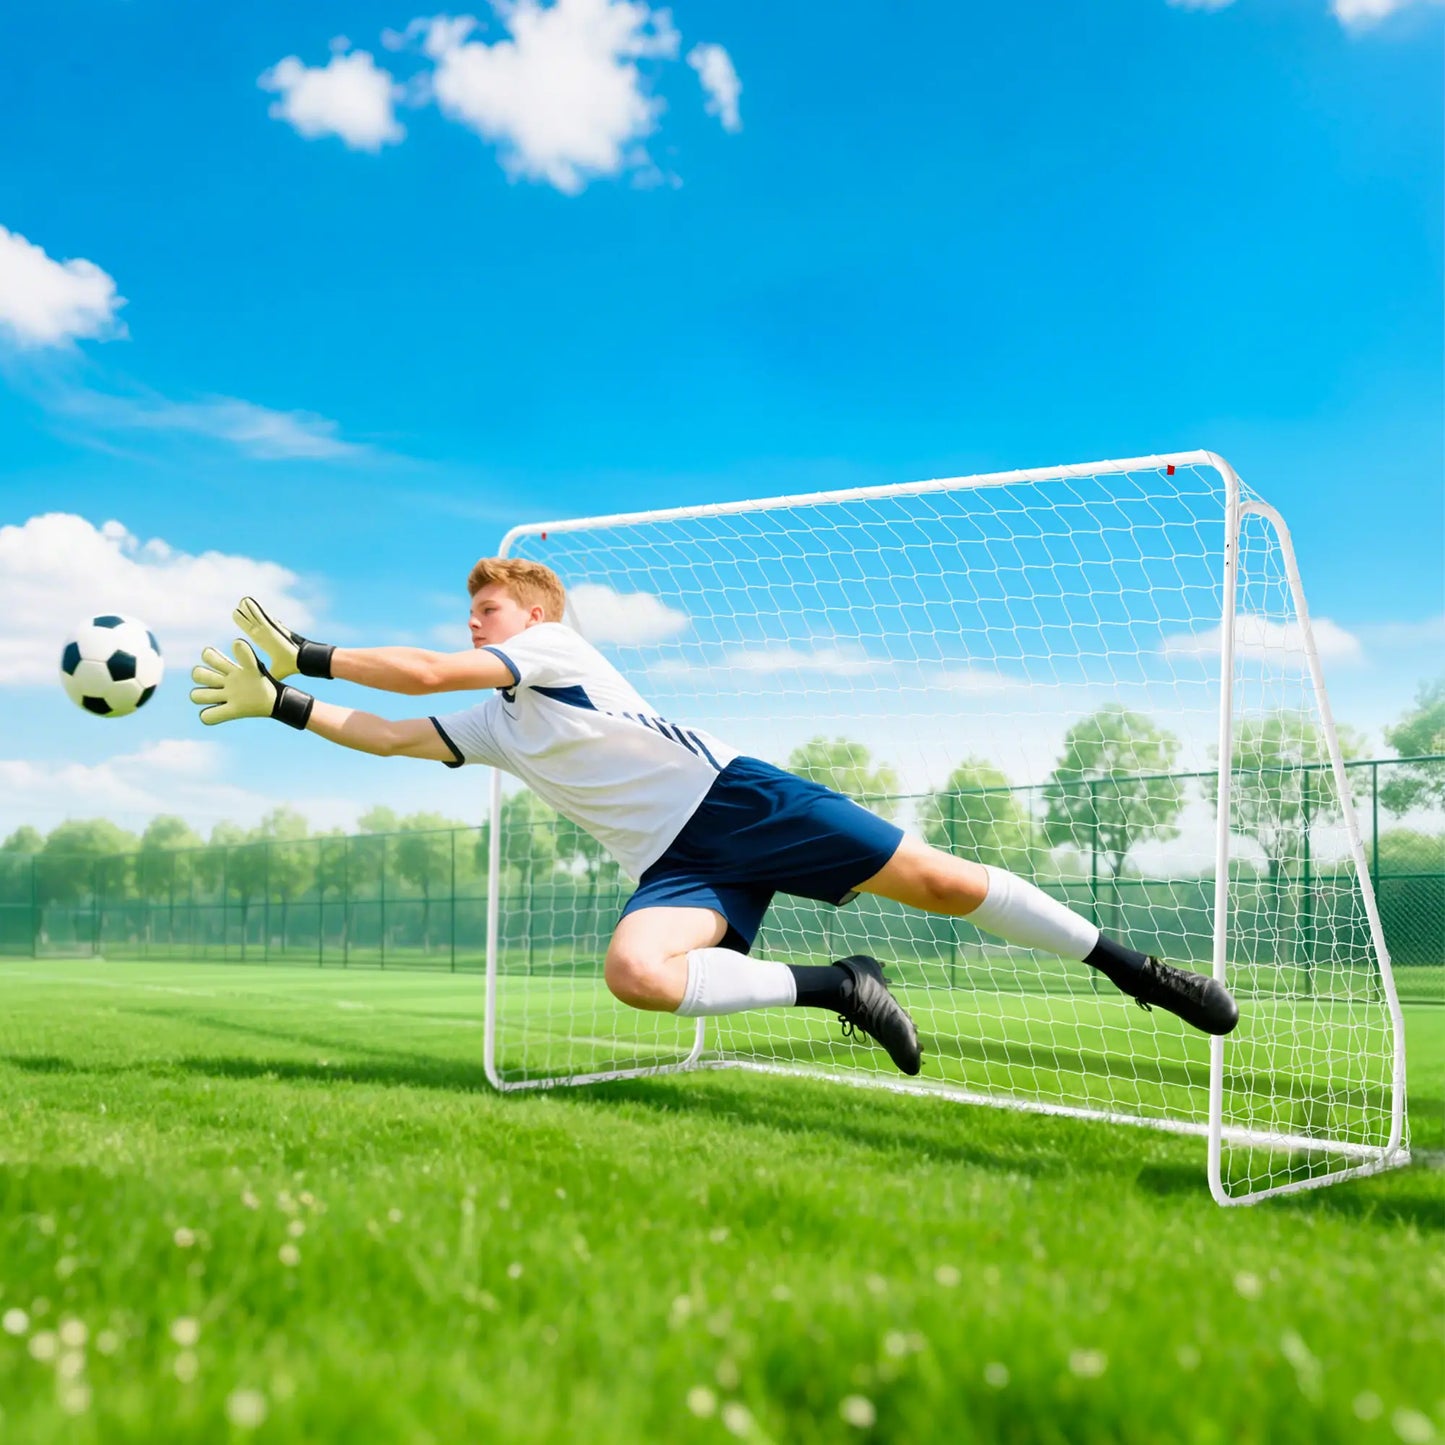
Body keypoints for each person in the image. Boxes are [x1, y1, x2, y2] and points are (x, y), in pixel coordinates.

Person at [189, 558, 1239, 1078]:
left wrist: (306, 650)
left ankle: (1132, 969)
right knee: (636, 972)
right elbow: (390, 732)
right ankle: (840, 985)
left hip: (738, 799)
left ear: (537, 616)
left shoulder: (556, 656)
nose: (474, 621)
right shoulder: (494, 723)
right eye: (470, 611)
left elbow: (413, 672)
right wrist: (283, 703)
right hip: (673, 860)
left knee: (945, 885)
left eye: (489, 609)